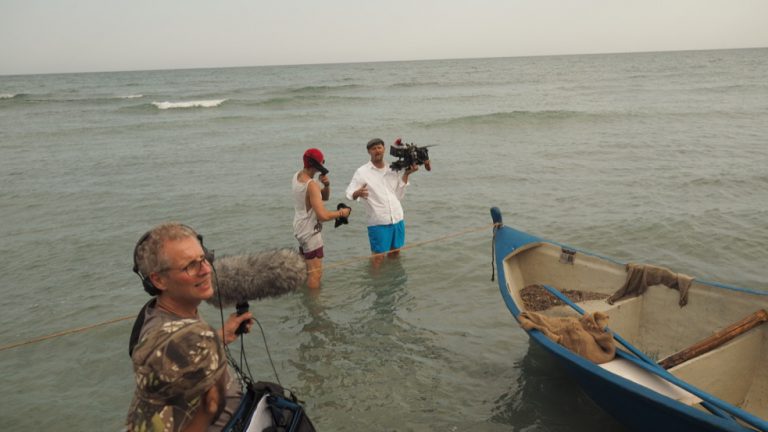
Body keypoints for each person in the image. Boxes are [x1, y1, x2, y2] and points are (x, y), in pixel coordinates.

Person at [128, 223, 254, 431]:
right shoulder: (163, 346)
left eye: (203, 258)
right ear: (158, 280)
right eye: (189, 266)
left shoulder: (178, 310)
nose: (206, 270)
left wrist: (220, 338)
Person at [345, 138, 421, 268]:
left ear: (384, 149)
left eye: (379, 147)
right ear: (369, 152)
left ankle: (392, 282)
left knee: (396, 253)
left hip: (397, 218)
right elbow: (349, 193)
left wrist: (407, 174)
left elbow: (398, 195)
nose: (377, 151)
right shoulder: (362, 172)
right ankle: (376, 285)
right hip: (378, 221)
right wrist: (357, 193)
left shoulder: (393, 168)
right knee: (378, 257)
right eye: (373, 149)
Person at [292, 148, 351, 289]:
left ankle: (307, 298)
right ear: (316, 165)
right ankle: (315, 308)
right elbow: (322, 216)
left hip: (299, 227)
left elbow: (324, 197)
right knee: (315, 274)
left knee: (307, 270)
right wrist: (342, 213)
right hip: (310, 232)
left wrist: (326, 185)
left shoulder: (297, 176)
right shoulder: (311, 185)